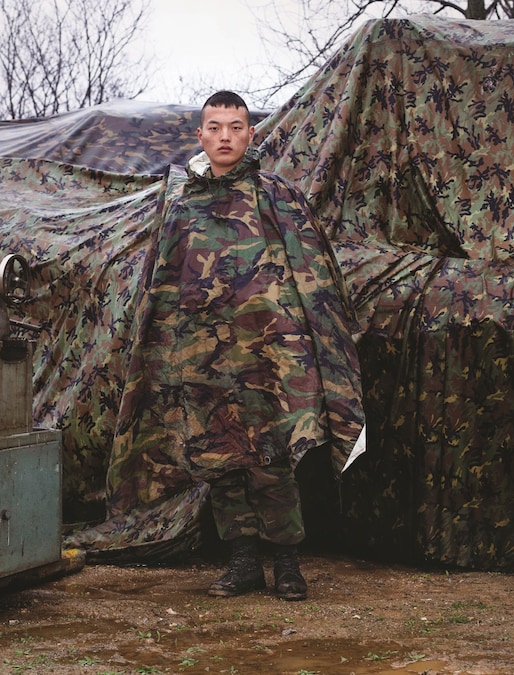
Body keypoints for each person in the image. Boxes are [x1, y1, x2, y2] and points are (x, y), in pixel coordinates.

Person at [106, 90, 365, 600]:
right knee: (219, 459)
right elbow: (162, 287)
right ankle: (243, 563)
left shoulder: (277, 197)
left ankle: (287, 564)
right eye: (215, 127)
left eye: (236, 126)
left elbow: (313, 277)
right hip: (202, 357)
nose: (225, 136)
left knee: (272, 457)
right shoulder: (180, 206)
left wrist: (310, 348)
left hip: (270, 354)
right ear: (200, 135)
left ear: (251, 135)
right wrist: (165, 355)